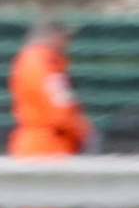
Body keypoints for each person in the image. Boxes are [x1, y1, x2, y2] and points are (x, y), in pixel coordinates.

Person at [9, 16, 93, 158]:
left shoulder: (37, 61)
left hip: (42, 147)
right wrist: (83, 131)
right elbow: (59, 111)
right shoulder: (43, 64)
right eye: (65, 37)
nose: (67, 42)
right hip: (46, 150)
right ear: (53, 35)